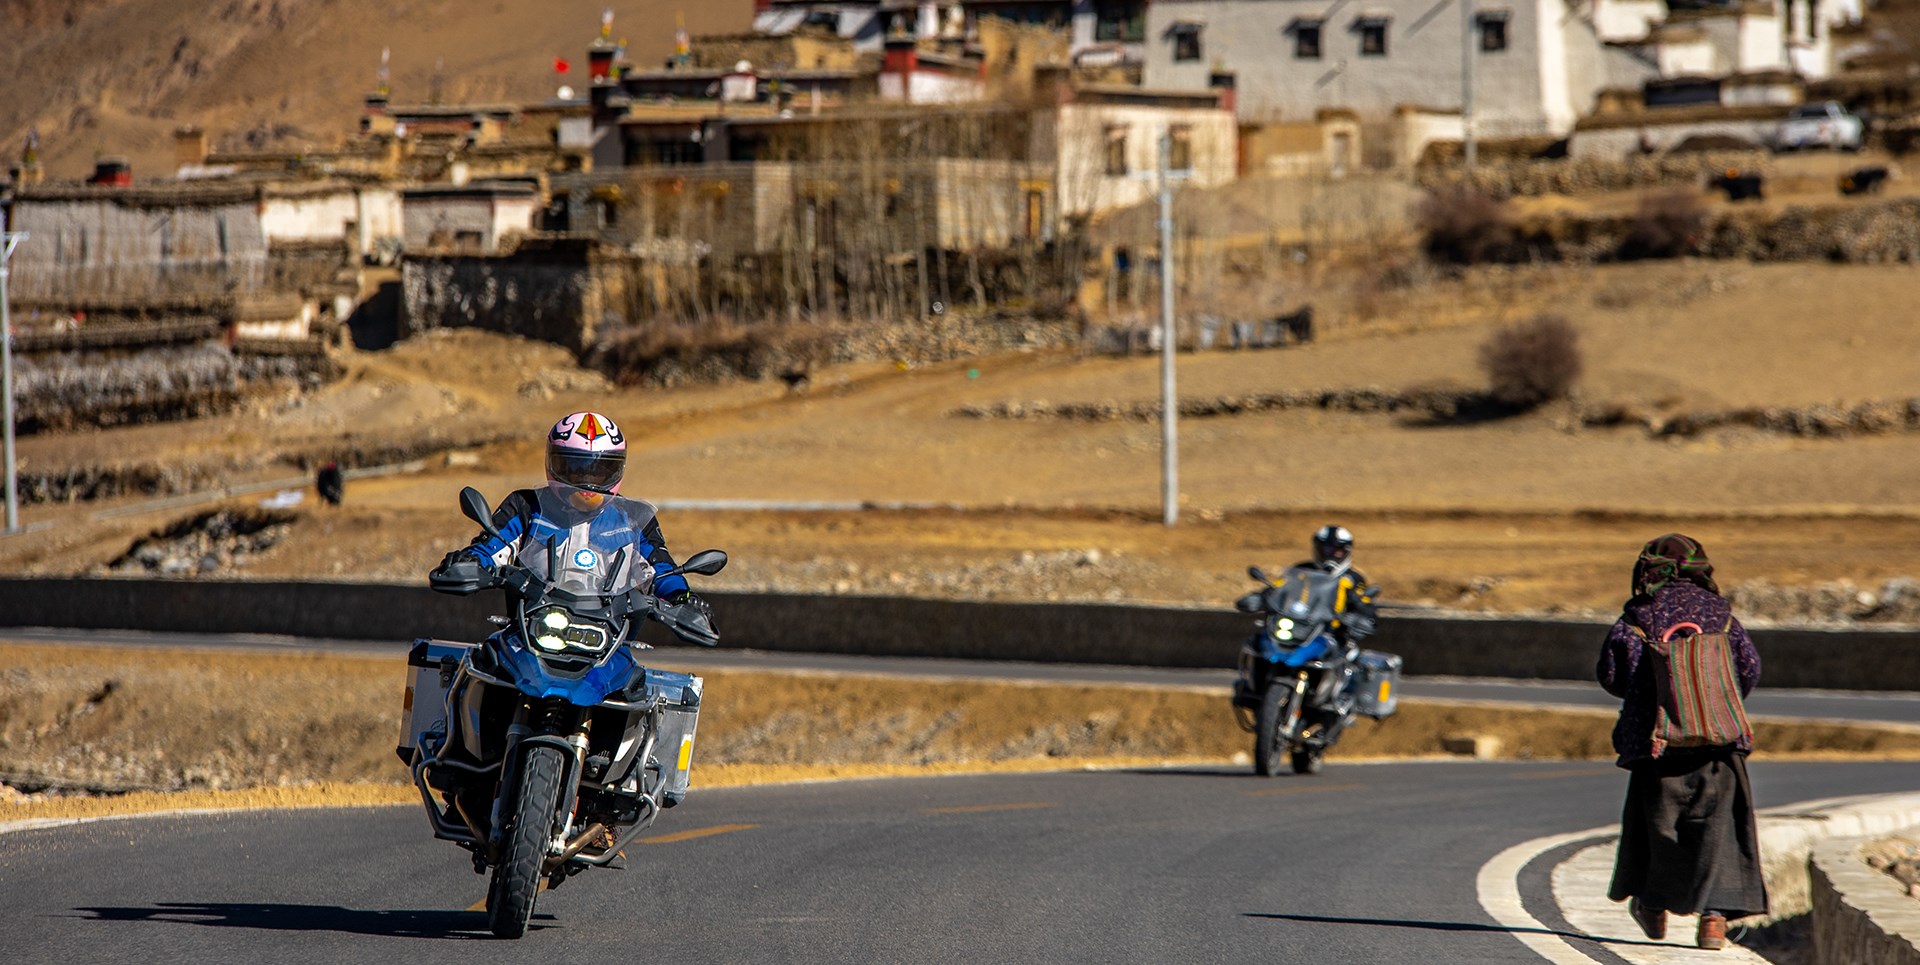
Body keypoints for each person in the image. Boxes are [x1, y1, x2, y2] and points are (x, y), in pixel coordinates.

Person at [1598, 534, 1765, 951]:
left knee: (1657, 829)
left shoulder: (1637, 617)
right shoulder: (1721, 615)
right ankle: (1713, 922)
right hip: (1719, 743)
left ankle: (1653, 906)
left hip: (1656, 745)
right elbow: (1749, 669)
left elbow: (1613, 676)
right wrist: (1709, 703)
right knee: (1720, 829)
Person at [431, 410, 713, 630]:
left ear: (617, 470)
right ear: (554, 463)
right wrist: (469, 561)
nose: (588, 482)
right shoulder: (526, 506)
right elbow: (492, 546)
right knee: (485, 669)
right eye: (576, 468)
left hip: (608, 636)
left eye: (599, 470)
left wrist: (683, 599)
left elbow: (661, 569)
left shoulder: (632, 520)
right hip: (529, 629)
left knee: (639, 692)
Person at [1291, 524, 1378, 651]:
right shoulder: (1301, 570)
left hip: (1334, 636)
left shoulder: (1353, 578)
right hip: (1296, 629)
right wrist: (1261, 596)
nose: (1330, 555)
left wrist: (1360, 619)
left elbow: (1365, 604)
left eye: (1336, 551)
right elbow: (1280, 589)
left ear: (1346, 551)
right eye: (1326, 550)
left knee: (1347, 655)